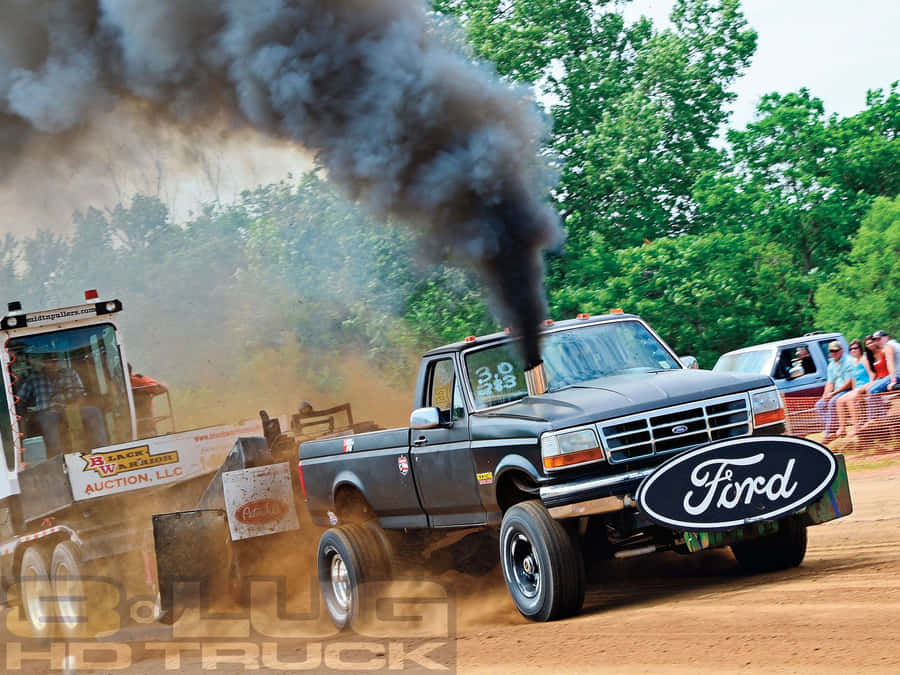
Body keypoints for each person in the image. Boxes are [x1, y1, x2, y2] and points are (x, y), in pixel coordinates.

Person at [17, 355, 107, 457]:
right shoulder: (33, 378)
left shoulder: (70, 373)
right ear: (43, 363)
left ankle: (101, 451)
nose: (52, 363)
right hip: (46, 412)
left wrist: (72, 408)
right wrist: (28, 414)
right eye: (48, 360)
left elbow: (81, 395)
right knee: (49, 419)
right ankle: (58, 457)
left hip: (70, 409)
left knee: (93, 411)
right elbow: (19, 400)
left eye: (55, 360)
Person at [814, 341, 855, 443]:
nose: (833, 353)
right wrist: (826, 394)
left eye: (835, 351)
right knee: (819, 405)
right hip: (836, 391)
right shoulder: (831, 364)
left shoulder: (849, 361)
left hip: (847, 390)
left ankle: (828, 433)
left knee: (832, 403)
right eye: (831, 351)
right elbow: (830, 382)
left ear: (841, 350)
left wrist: (833, 393)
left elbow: (849, 383)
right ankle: (835, 427)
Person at [835, 338, 875, 438]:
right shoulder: (852, 362)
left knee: (850, 399)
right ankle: (842, 428)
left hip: (866, 385)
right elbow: (853, 379)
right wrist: (853, 390)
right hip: (857, 388)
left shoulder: (864, 359)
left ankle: (856, 427)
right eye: (851, 349)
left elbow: (872, 375)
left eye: (855, 348)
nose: (853, 350)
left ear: (860, 349)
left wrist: (869, 386)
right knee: (839, 401)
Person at [129, 364, 168, 437]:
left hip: (145, 424)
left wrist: (145, 393)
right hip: (128, 424)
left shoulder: (137, 380)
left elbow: (163, 388)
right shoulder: (118, 384)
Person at [868, 330, 900, 394]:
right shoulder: (895, 344)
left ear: (887, 337)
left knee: (872, 390)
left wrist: (893, 381)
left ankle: (883, 404)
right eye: (875, 340)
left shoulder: (888, 346)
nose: (877, 342)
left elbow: (890, 363)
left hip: (898, 376)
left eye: (879, 339)